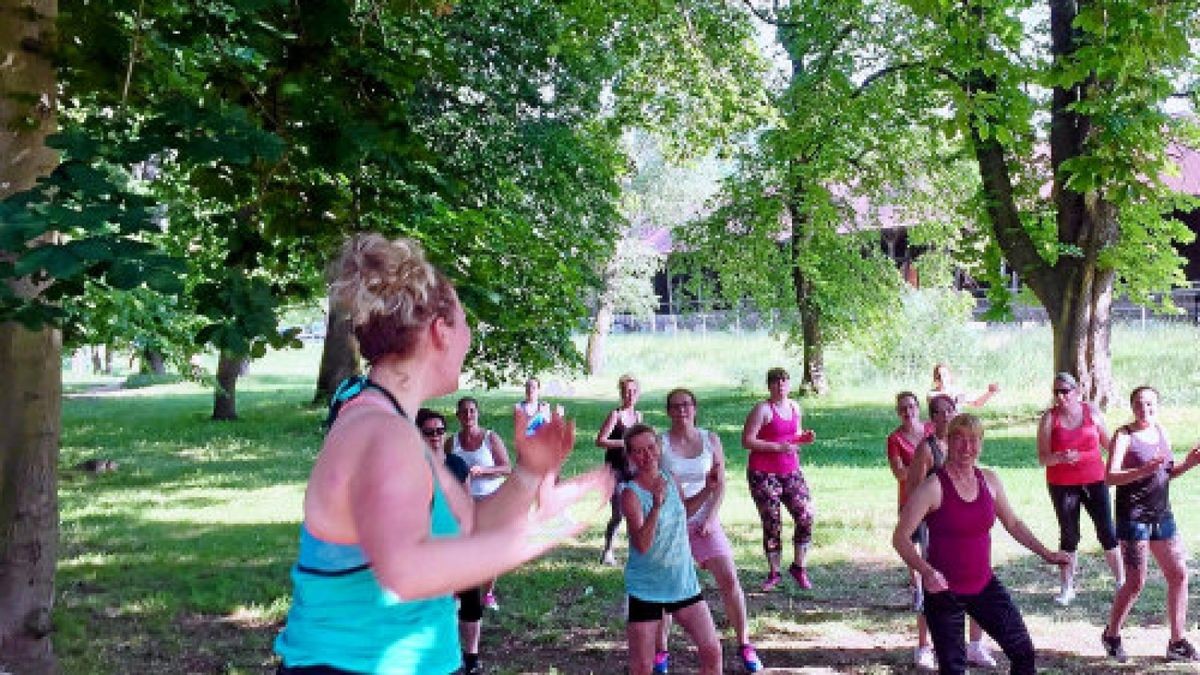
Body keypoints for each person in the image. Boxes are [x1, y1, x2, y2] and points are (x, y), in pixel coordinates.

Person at [274, 233, 609, 675]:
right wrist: (539, 534)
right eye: (466, 324)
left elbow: (469, 526)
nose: (470, 340)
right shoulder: (382, 432)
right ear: (440, 330)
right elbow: (406, 571)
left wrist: (529, 473)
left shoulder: (397, 426)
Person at [894, 413, 1069, 675]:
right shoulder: (933, 487)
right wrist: (926, 571)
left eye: (973, 440)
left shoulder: (989, 480)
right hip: (944, 592)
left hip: (984, 585)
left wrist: (1046, 553)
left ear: (981, 444)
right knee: (954, 669)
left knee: (1023, 653)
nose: (966, 448)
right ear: (948, 443)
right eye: (959, 439)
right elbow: (900, 538)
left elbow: (1012, 522)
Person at [656, 388, 763, 673]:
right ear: (668, 411)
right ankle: (661, 651)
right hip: (673, 523)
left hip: (705, 521)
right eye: (676, 406)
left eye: (687, 405)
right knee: (668, 587)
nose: (682, 411)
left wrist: (710, 518)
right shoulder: (660, 443)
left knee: (729, 579)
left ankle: (744, 644)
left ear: (695, 408)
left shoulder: (710, 439)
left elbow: (719, 482)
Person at [1101, 386, 1200, 663]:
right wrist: (1142, 470)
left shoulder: (1161, 431)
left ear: (1158, 405)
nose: (1145, 408)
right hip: (1133, 517)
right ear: (1132, 406)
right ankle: (1112, 635)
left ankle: (1177, 641)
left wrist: (1190, 464)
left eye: (1150, 403)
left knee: (1179, 574)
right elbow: (1110, 477)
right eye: (1139, 403)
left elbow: (1166, 474)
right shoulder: (1124, 435)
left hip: (1161, 515)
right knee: (1135, 582)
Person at [621, 423, 723, 675]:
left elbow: (683, 511)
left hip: (682, 581)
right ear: (630, 456)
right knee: (643, 667)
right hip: (646, 587)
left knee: (712, 651)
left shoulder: (670, 478)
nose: (647, 455)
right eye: (638, 451)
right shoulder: (630, 494)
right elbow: (642, 545)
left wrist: (708, 489)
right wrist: (655, 506)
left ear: (659, 446)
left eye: (651, 447)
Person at [903, 394, 995, 668]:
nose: (946, 417)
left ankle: (976, 644)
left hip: (967, 527)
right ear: (931, 419)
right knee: (933, 584)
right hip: (936, 526)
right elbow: (914, 491)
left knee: (978, 580)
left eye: (949, 411)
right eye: (939, 413)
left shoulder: (964, 443)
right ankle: (924, 646)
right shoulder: (927, 449)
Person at [1035, 371, 1123, 606]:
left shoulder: (1092, 412)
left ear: (1077, 392)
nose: (1060, 397)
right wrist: (1060, 457)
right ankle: (1067, 588)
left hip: (1095, 480)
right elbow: (1042, 458)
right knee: (1069, 534)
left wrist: (1127, 463)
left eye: (1065, 391)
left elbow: (1109, 445)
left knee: (1107, 530)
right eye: (1056, 392)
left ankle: (1121, 582)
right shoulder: (1048, 419)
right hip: (1062, 485)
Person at [417, 408, 484, 675]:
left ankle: (471, 658)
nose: (435, 436)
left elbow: (467, 502)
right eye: (429, 432)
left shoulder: (457, 464)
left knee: (470, 599)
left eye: (440, 431)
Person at [741, 367, 815, 591]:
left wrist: (803, 438)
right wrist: (777, 447)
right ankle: (774, 572)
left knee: (806, 515)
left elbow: (794, 434)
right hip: (763, 473)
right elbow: (747, 440)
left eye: (784, 381)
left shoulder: (795, 407)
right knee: (772, 522)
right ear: (769, 386)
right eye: (775, 382)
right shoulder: (763, 410)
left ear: (789, 385)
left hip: (791, 471)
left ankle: (799, 567)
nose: (780, 386)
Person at [885, 391, 936, 670]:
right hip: (910, 501)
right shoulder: (894, 439)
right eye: (903, 408)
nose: (908, 412)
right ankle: (916, 586)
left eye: (912, 407)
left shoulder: (930, 430)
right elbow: (899, 473)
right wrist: (925, 468)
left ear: (919, 408)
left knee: (931, 548)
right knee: (911, 545)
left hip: (935, 502)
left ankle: (923, 585)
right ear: (898, 412)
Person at [449, 397, 512, 611]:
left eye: (472, 411)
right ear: (457, 415)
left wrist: (483, 471)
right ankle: (461, 591)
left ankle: (488, 594)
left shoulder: (490, 438)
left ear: (478, 413)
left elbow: (506, 467)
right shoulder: (452, 441)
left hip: (490, 499)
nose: (468, 415)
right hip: (462, 502)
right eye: (464, 412)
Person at [596, 374, 643, 566]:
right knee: (618, 514)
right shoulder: (615, 415)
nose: (630, 395)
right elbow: (600, 441)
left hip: (633, 471)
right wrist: (624, 443)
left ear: (638, 394)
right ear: (621, 394)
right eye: (626, 392)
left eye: (633, 391)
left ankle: (638, 551)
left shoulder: (639, 416)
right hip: (615, 471)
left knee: (637, 512)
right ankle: (607, 551)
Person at [927, 363, 999, 409]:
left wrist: (990, 393)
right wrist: (955, 399)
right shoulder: (932, 394)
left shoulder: (957, 391)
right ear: (935, 379)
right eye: (939, 376)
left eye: (944, 375)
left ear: (950, 376)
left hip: (956, 426)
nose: (942, 378)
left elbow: (976, 403)